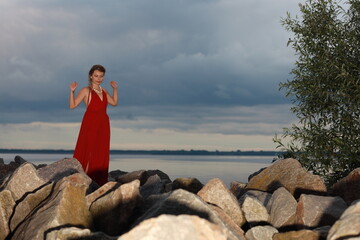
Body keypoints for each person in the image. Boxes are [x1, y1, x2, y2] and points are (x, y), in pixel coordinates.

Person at [69, 64, 118, 186]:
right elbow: (72, 105)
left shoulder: (104, 91)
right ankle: (84, 178)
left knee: (101, 151)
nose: (99, 78)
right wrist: (72, 92)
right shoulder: (86, 90)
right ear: (91, 76)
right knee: (89, 149)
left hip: (104, 124)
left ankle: (98, 180)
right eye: (96, 76)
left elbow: (114, 102)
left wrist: (115, 89)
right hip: (91, 122)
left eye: (101, 76)